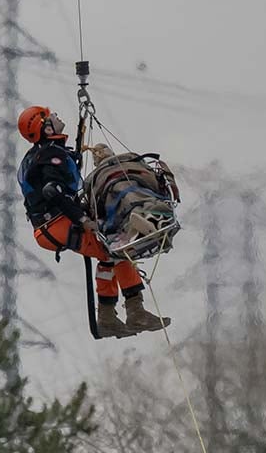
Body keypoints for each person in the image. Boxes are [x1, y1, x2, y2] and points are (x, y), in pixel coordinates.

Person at [16, 105, 170, 337]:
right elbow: (52, 191)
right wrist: (83, 219)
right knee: (117, 247)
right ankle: (134, 310)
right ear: (45, 128)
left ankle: (108, 317)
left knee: (107, 254)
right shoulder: (51, 155)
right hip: (56, 223)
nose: (57, 115)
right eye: (51, 117)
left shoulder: (44, 154)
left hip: (48, 226)